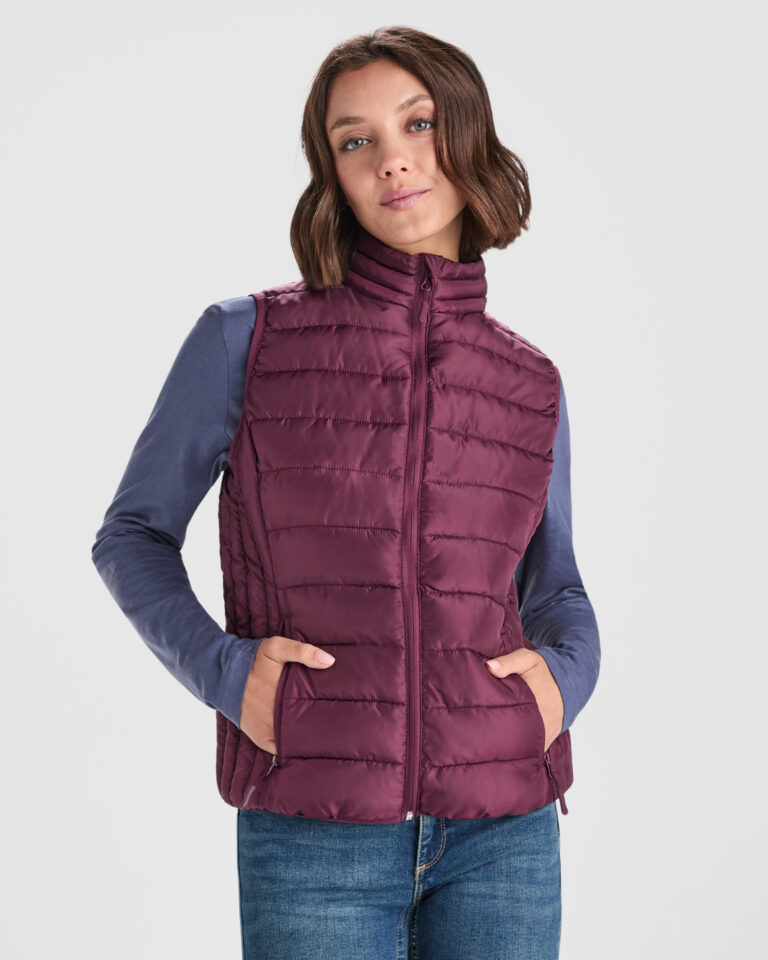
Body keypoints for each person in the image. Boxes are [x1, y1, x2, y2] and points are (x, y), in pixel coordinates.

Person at [92, 25, 600, 960]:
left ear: (470, 134)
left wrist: (564, 685)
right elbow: (131, 535)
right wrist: (228, 675)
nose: (392, 160)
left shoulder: (532, 382)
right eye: (355, 139)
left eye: (419, 123)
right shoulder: (244, 340)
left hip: (507, 834)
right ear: (332, 172)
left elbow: (555, 586)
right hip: (314, 834)